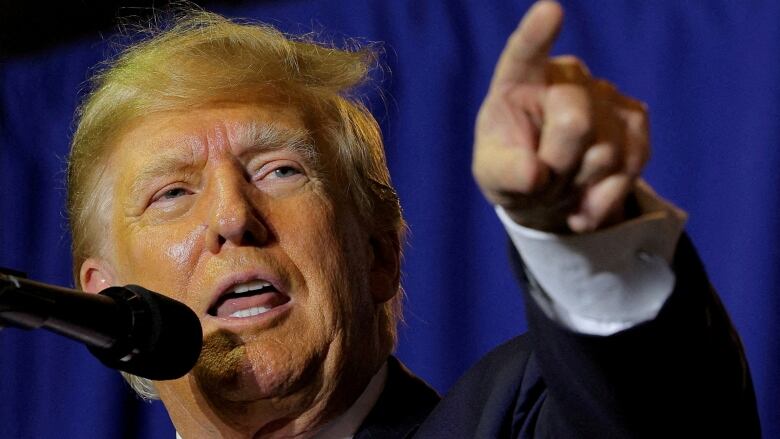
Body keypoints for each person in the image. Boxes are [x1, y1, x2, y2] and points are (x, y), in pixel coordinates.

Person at [66, 1, 759, 437]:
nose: (233, 217)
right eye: (172, 194)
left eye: (279, 170)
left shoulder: (520, 417)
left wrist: (583, 228)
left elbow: (658, 413)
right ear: (107, 299)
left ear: (378, 253)